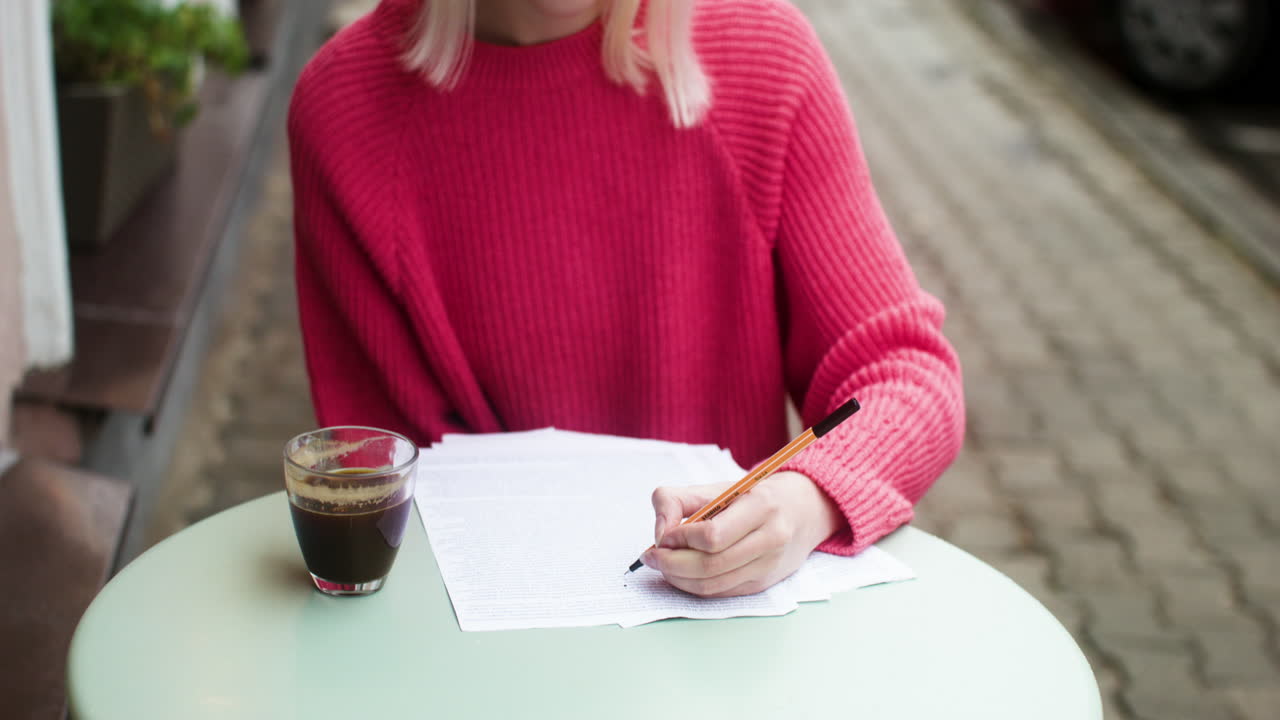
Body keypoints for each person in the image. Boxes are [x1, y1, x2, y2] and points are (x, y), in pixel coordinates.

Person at [288, 0, 965, 599]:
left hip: (724, 638)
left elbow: (904, 374)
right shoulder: (345, 111)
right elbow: (380, 476)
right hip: (473, 638)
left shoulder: (764, 57)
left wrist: (802, 500)